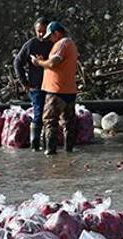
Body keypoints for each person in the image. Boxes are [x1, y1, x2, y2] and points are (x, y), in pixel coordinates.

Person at [32, 21, 79, 156]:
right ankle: (69, 150)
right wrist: (45, 62)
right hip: (69, 90)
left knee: (50, 121)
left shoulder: (62, 43)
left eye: (50, 36)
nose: (49, 40)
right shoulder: (70, 44)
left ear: (57, 33)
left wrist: (39, 62)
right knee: (68, 123)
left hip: (57, 91)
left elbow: (54, 62)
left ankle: (50, 152)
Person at [13, 17, 52, 151]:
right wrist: (24, 82)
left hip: (52, 86)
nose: (41, 34)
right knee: (38, 114)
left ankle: (49, 145)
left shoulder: (54, 44)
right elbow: (17, 62)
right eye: (38, 31)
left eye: (43, 31)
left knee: (51, 116)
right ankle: (35, 145)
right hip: (36, 86)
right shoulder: (31, 45)